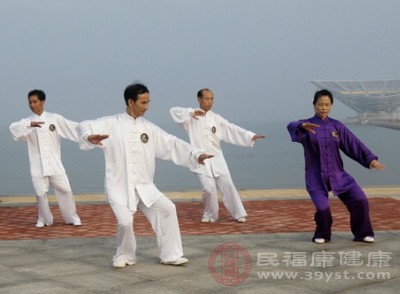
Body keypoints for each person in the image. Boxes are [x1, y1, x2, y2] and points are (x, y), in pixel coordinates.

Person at [78, 82, 213, 268]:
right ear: (130, 102)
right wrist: (88, 137)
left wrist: (196, 154)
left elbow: (171, 143)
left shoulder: (148, 128)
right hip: (119, 186)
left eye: (148, 102)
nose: (147, 107)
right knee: (125, 222)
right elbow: (84, 125)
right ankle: (124, 255)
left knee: (168, 209)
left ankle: (171, 255)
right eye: (143, 102)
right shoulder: (111, 123)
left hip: (145, 186)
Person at [287, 89, 384, 244]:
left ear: (331, 106)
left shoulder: (336, 126)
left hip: (338, 174)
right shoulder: (308, 126)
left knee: (360, 199)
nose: (323, 108)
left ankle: (363, 233)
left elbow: (354, 144)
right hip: (315, 177)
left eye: (327, 105)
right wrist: (302, 125)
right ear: (314, 105)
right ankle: (322, 233)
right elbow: (291, 126)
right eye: (320, 104)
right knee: (323, 210)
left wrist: (370, 159)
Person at [170, 88, 265, 223]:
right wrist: (190, 112)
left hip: (217, 159)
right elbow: (173, 112)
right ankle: (210, 215)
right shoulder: (190, 118)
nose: (210, 102)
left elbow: (231, 128)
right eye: (206, 98)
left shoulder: (216, 118)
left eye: (212, 99)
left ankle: (238, 213)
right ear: (199, 100)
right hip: (200, 159)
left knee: (228, 185)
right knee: (209, 189)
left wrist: (250, 136)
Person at [9, 89, 82, 228]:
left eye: (35, 101)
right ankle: (44, 219)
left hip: (55, 163)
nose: (32, 104)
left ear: (43, 102)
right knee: (40, 193)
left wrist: (88, 133)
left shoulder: (55, 119)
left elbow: (73, 128)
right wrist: (30, 125)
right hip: (37, 164)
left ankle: (72, 217)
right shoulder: (27, 121)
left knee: (66, 189)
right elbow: (13, 129)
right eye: (30, 102)